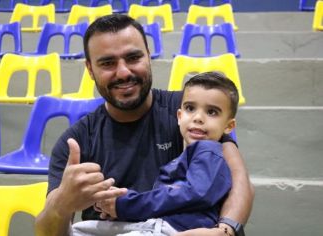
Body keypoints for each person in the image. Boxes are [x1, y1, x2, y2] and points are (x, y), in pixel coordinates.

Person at [35, 14, 254, 236]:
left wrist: (225, 231)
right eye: (108, 63)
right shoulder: (76, 141)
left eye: (133, 58)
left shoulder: (192, 111)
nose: (123, 72)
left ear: (148, 57)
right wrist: (61, 204)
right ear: (90, 69)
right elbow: (46, 231)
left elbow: (240, 181)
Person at [72, 71, 238, 236]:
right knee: (78, 230)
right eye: (190, 108)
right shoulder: (191, 155)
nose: (198, 118)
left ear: (228, 126)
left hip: (174, 230)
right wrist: (119, 201)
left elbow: (191, 195)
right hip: (153, 225)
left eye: (212, 112)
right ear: (179, 116)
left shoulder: (208, 152)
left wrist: (126, 204)